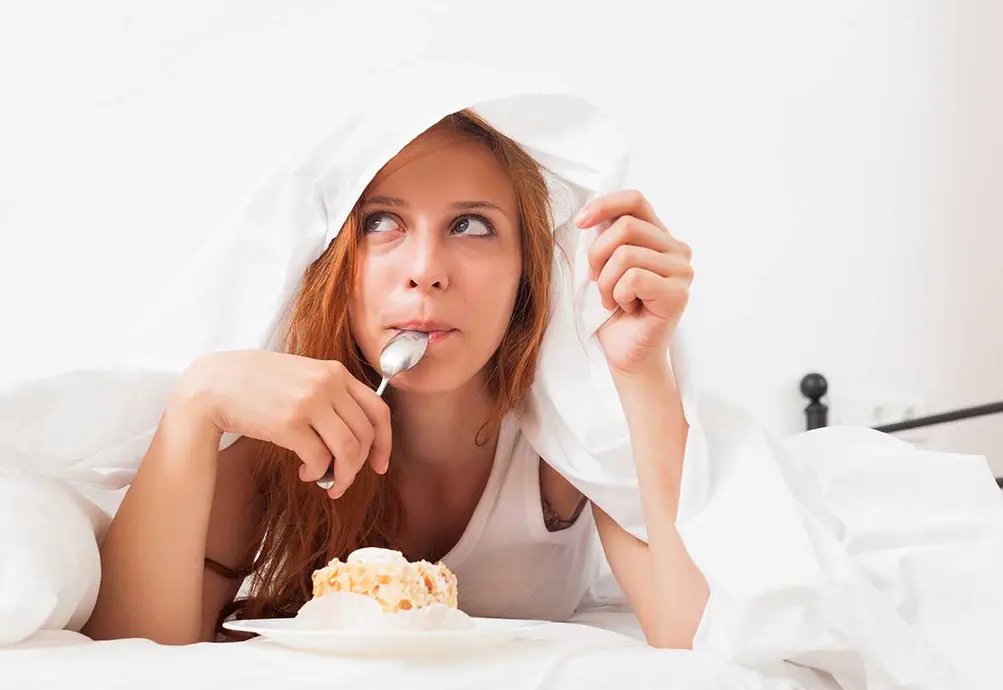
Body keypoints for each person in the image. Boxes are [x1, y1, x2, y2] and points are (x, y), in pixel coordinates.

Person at [82, 109, 709, 648]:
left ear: (528, 272)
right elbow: (130, 659)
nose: (426, 271)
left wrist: (642, 368)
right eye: (381, 223)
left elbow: (695, 635)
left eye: (471, 226)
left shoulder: (564, 434)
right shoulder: (279, 436)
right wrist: (196, 404)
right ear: (333, 264)